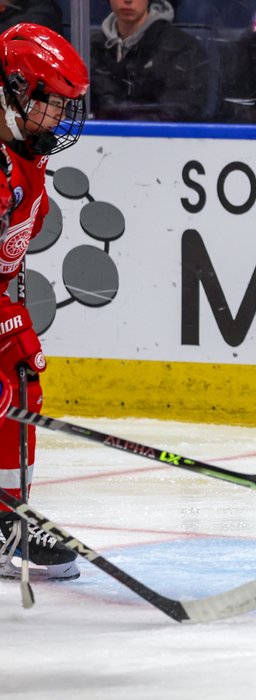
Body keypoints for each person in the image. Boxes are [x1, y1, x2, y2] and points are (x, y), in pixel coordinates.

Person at [0, 23, 90, 580]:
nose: (57, 119)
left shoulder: (26, 157)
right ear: (12, 91)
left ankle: (10, 518)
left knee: (22, 377)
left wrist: (13, 321)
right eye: (48, 104)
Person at [91, 0, 212, 122]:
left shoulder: (181, 48)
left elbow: (183, 109)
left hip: (161, 138)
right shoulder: (89, 48)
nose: (128, 1)